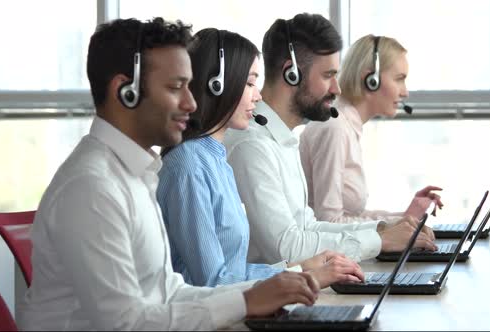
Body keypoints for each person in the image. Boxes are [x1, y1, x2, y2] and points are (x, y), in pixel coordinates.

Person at [18, 18, 321, 331]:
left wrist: (263, 292)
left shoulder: (135, 174)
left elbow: (169, 293)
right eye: (176, 88)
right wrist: (246, 302)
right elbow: (126, 324)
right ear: (126, 91)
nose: (191, 103)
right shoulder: (92, 188)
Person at [223, 14, 438, 266]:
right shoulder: (253, 146)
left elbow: (308, 226)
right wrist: (379, 242)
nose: (336, 88)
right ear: (291, 74)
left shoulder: (282, 139)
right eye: (328, 75)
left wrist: (381, 229)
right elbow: (286, 249)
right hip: (270, 296)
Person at [157, 28, 363, 289]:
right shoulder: (189, 166)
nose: (258, 95)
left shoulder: (216, 160)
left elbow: (231, 271)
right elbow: (212, 282)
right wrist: (306, 276)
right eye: (250, 83)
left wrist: (301, 267)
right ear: (218, 85)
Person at [299, 34, 444, 224]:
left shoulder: (347, 126)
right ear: (370, 79)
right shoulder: (335, 128)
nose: (405, 92)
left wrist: (405, 218)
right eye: (399, 79)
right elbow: (329, 222)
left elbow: (350, 218)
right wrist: (395, 226)